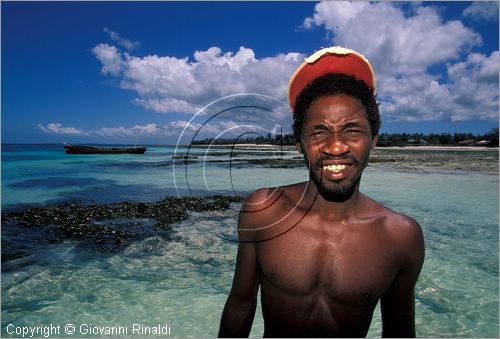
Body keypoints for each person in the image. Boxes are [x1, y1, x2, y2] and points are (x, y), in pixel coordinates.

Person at [218, 46, 425, 338]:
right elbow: (240, 305)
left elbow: (399, 329)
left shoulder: (401, 236)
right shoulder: (263, 209)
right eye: (319, 132)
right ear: (299, 144)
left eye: (352, 130)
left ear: (374, 140)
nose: (335, 146)